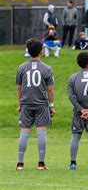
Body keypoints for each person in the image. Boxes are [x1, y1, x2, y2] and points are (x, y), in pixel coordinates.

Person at [16, 39, 55, 171]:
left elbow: (19, 88)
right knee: (41, 132)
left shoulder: (21, 67)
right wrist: (52, 105)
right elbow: (50, 89)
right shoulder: (47, 68)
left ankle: (20, 164)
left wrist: (19, 103)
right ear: (40, 51)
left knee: (24, 132)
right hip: (41, 104)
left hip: (26, 103)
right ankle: (41, 163)